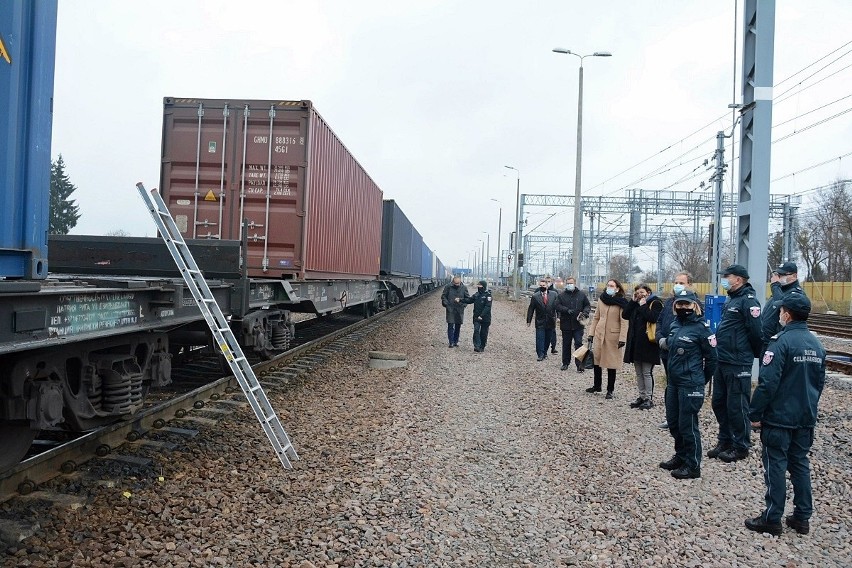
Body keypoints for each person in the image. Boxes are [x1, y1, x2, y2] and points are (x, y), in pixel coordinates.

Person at [745, 294, 826, 536]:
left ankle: (772, 517)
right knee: (800, 464)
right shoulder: (817, 345)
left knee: (776, 465)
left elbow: (768, 383)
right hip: (805, 416)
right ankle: (802, 518)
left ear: (787, 315)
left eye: (781, 311)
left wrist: (755, 412)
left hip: (779, 418)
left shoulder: (780, 343)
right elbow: (818, 383)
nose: (779, 314)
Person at [658, 290, 717, 479]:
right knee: (674, 422)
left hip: (690, 384)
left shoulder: (702, 329)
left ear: (695, 306)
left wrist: (700, 380)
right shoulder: (675, 325)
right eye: (680, 304)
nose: (683, 308)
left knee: (688, 425)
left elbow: (712, 360)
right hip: (674, 383)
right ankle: (681, 456)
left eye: (687, 304)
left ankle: (693, 465)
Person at [707, 264, 763, 463]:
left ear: (738, 279)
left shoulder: (749, 301)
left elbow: (757, 333)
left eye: (726, 276)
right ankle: (725, 440)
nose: (724, 280)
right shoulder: (733, 300)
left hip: (738, 362)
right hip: (723, 359)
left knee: (737, 406)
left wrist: (747, 355)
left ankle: (740, 446)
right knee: (719, 403)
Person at [656, 272, 693, 428]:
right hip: (666, 351)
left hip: (682, 354)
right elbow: (659, 322)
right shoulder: (669, 302)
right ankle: (671, 417)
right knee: (670, 385)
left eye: (682, 283)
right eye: (676, 282)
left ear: (689, 285)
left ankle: (683, 419)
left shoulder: (693, 303)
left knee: (681, 386)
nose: (677, 285)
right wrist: (660, 339)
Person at [622, 284, 663, 409]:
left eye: (642, 292)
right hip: (635, 344)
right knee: (638, 373)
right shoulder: (636, 304)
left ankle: (648, 398)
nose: (640, 294)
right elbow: (625, 315)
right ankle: (641, 395)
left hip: (648, 344)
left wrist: (644, 305)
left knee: (646, 372)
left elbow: (653, 317)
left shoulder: (655, 303)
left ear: (648, 292)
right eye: (637, 292)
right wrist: (632, 302)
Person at [587, 278, 628, 399]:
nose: (609, 287)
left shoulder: (622, 302)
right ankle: (597, 385)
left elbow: (624, 321)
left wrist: (622, 338)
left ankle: (610, 390)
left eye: (612, 285)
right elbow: (596, 317)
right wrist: (591, 333)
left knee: (611, 364)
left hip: (613, 336)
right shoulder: (602, 299)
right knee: (596, 361)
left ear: (617, 288)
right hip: (600, 334)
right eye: (608, 285)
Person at [760, 261, 807, 353]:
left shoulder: (796, 293)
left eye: (782, 275)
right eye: (778, 274)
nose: (778, 278)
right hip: (767, 342)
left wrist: (775, 286)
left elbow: (782, 304)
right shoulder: (780, 290)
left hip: (780, 343)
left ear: (794, 276)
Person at [552, 276, 591, 371]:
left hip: (578, 324)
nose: (570, 285)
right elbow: (556, 306)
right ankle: (565, 363)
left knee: (578, 343)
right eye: (568, 283)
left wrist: (585, 312)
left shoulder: (581, 295)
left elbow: (587, 305)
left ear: (575, 283)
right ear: (566, 284)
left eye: (571, 283)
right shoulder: (561, 295)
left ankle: (580, 365)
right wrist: (566, 310)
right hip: (566, 324)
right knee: (566, 344)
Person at [527, 278, 558, 361]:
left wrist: (559, 317)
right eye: (540, 285)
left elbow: (557, 307)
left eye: (543, 285)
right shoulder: (535, 296)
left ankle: (544, 353)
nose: (542, 287)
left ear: (547, 286)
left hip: (550, 321)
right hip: (540, 321)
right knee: (540, 338)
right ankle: (540, 354)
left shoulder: (554, 295)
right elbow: (531, 308)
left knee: (548, 338)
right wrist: (529, 320)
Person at [463, 279, 493, 352]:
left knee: (483, 332)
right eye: (478, 285)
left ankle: (482, 346)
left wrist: (481, 315)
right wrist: (461, 300)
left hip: (485, 318)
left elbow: (488, 307)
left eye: (480, 285)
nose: (479, 287)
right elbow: (469, 300)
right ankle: (477, 346)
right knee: (476, 331)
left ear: (484, 286)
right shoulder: (476, 295)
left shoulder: (488, 296)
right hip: (476, 317)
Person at [441, 276, 470, 348]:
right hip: (450, 308)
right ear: (453, 282)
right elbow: (443, 296)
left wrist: (463, 305)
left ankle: (455, 341)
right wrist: (446, 304)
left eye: (458, 283)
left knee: (458, 326)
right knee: (450, 325)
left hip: (459, 309)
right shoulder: (448, 287)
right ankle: (451, 342)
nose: (456, 285)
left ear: (460, 282)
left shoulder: (464, 288)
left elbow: (467, 298)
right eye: (455, 283)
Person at [546, 275, 558, 354]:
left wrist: (558, 316)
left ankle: (553, 347)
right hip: (543, 316)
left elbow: (558, 305)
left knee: (553, 331)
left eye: (549, 281)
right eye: (546, 282)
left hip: (552, 315)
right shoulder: (539, 290)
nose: (547, 283)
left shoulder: (555, 292)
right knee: (544, 332)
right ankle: (544, 349)